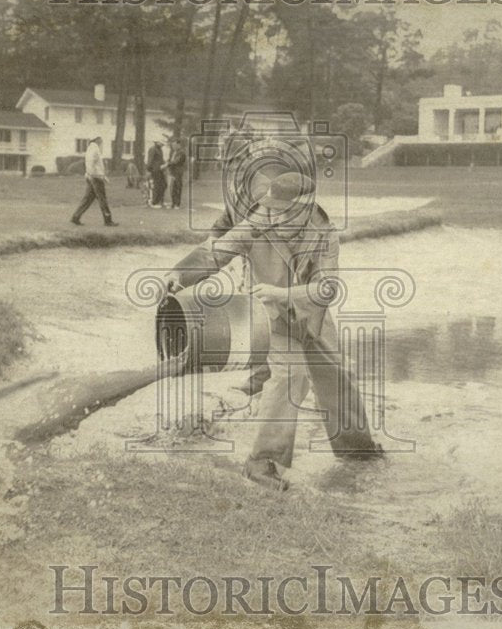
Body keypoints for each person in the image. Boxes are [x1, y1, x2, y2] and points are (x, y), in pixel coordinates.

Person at [164, 171, 383, 491]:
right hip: (272, 318)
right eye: (271, 207)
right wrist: (180, 274)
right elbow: (218, 250)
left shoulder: (324, 232)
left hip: (311, 315)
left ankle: (356, 448)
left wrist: (283, 294)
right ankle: (260, 462)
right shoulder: (259, 220)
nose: (272, 214)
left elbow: (328, 289)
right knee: (290, 376)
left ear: (304, 210)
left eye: (282, 210)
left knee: (337, 377)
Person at [71, 136, 117, 227]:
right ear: (97, 140)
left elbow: (93, 164)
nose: (102, 142)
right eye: (101, 140)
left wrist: (94, 175)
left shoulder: (90, 149)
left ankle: (75, 217)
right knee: (102, 199)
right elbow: (93, 164)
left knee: (88, 199)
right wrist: (95, 175)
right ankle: (108, 220)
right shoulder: (95, 149)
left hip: (92, 176)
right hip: (95, 177)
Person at [163, 138, 187, 210]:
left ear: (178, 145)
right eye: (172, 145)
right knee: (172, 188)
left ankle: (177, 204)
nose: (173, 146)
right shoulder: (174, 152)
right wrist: (167, 162)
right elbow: (170, 159)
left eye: (174, 145)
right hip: (172, 172)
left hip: (178, 172)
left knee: (177, 187)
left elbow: (176, 161)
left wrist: (167, 164)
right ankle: (173, 203)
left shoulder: (181, 152)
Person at [146, 139, 165, 208]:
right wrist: (149, 170)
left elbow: (161, 159)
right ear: (157, 142)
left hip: (160, 169)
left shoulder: (159, 149)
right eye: (161, 143)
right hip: (155, 170)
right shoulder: (153, 149)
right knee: (156, 185)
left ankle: (159, 200)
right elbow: (150, 160)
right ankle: (154, 202)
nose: (163, 145)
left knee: (163, 185)